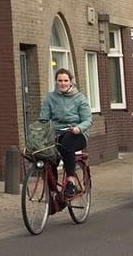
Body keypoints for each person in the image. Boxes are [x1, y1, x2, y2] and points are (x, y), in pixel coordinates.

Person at [39, 68, 92, 197]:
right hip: (57, 133)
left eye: (65, 80)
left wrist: (79, 128)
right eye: (60, 80)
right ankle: (52, 190)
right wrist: (39, 130)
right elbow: (44, 119)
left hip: (76, 134)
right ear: (56, 82)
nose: (63, 83)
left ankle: (71, 181)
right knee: (48, 154)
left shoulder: (79, 98)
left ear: (70, 82)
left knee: (66, 143)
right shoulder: (50, 97)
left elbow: (88, 119)